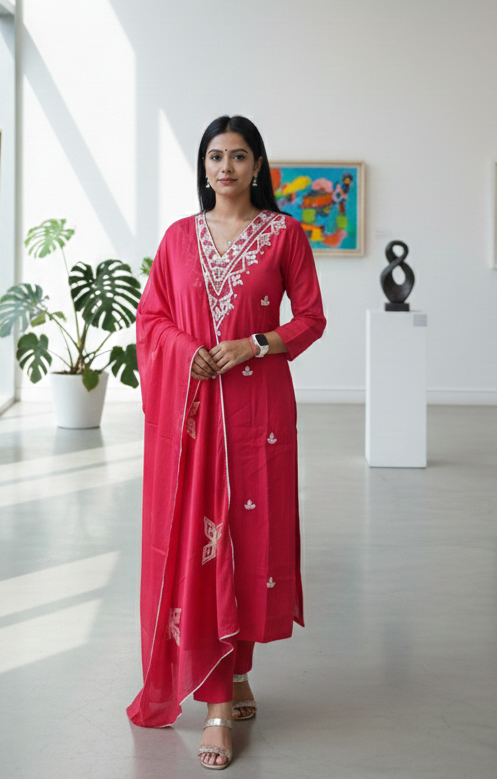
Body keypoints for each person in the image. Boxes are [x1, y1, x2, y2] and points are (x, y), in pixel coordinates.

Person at [127, 115, 326, 770]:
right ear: (203, 165)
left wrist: (255, 344)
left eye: (239, 155)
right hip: (193, 422)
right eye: (216, 155)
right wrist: (188, 352)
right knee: (199, 544)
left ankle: (235, 673)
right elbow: (151, 318)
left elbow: (310, 318)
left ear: (258, 164)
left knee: (248, 542)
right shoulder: (179, 238)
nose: (227, 167)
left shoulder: (284, 234)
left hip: (257, 415)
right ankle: (218, 701)